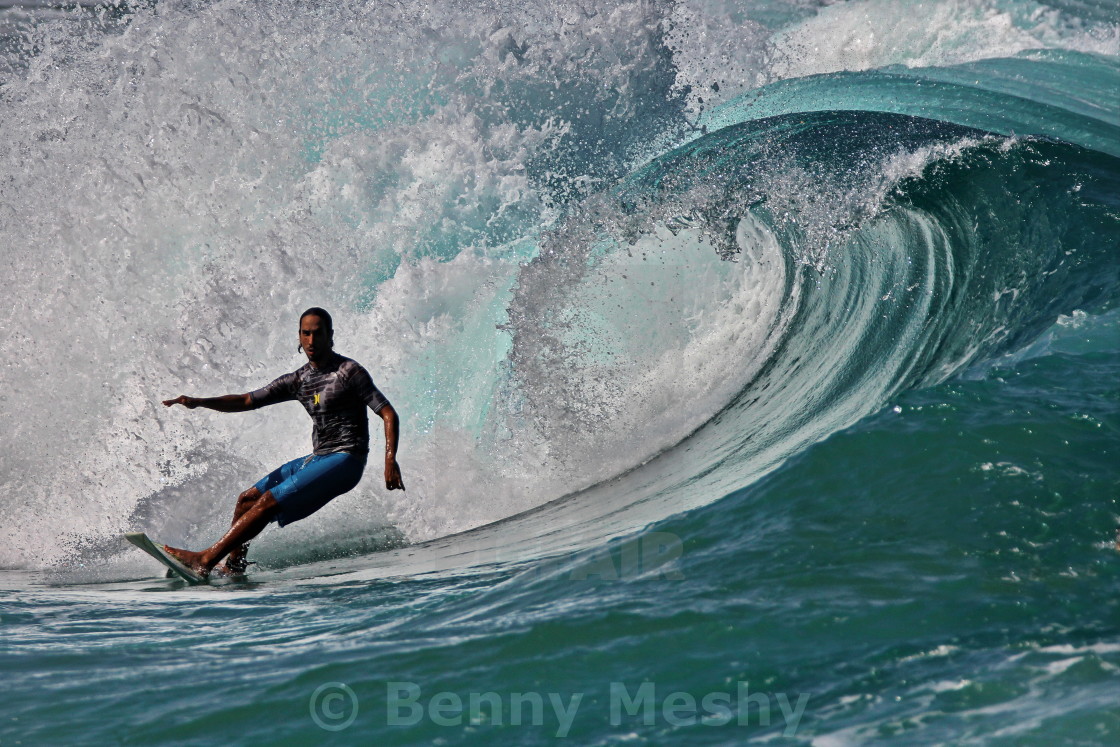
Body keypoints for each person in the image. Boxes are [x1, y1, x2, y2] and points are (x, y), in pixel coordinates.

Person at [160, 307, 403, 577]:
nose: (311, 341)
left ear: (330, 335)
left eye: (318, 334)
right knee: (247, 500)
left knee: (268, 502)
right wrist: (200, 402)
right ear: (299, 336)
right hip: (320, 456)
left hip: (346, 459)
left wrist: (389, 459)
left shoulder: (349, 371)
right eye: (305, 334)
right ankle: (233, 567)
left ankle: (204, 559)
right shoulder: (299, 380)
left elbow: (388, 413)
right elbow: (245, 400)